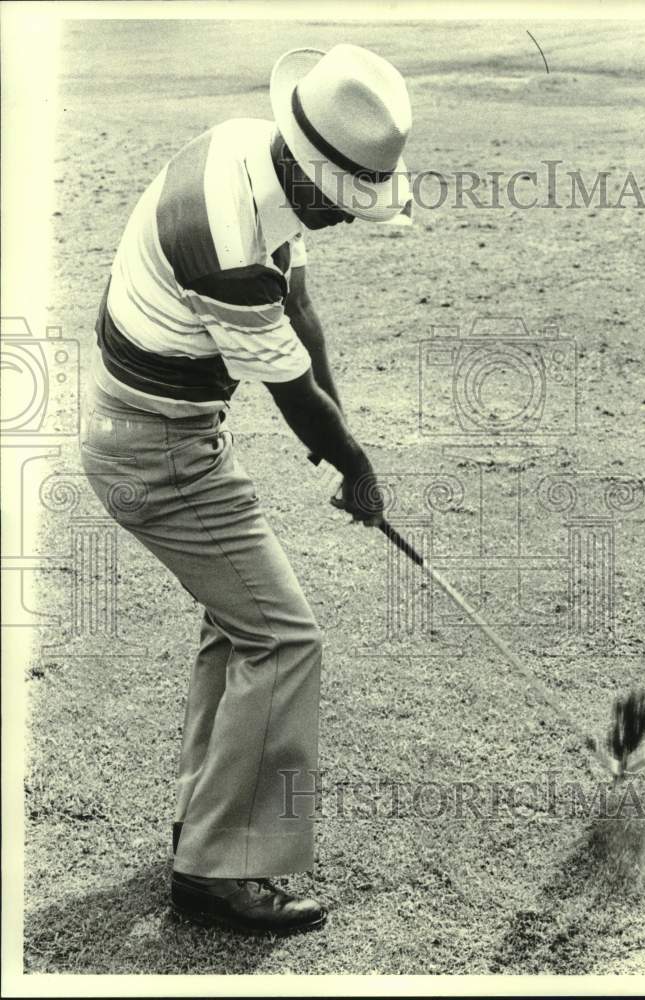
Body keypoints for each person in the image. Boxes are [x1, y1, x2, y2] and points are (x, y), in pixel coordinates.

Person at [79, 43, 412, 937]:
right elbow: (290, 389)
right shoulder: (219, 235)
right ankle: (221, 872)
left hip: (168, 435)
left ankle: (208, 829)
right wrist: (351, 464)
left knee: (242, 628)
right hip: (154, 453)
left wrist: (354, 454)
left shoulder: (251, 148)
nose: (345, 221)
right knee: (286, 636)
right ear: (308, 173)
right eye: (342, 206)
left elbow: (302, 321)